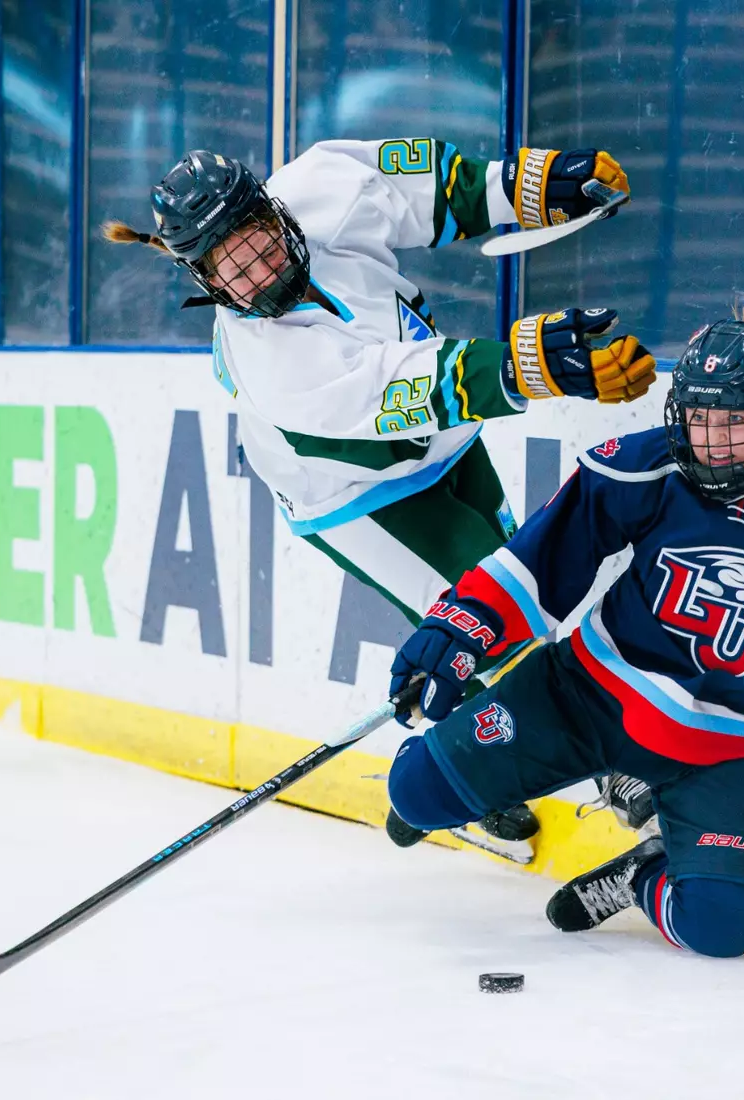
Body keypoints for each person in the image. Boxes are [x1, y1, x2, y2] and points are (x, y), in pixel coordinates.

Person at [105, 139, 657, 843]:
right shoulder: (276, 365)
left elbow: (426, 187)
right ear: (205, 278)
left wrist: (529, 184)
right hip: (356, 495)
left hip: (447, 440)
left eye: (259, 243)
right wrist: (536, 363)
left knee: (509, 597)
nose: (261, 271)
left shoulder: (319, 183)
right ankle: (607, 769)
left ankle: (453, 763)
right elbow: (411, 390)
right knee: (501, 614)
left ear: (272, 209)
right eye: (234, 269)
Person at [380, 285, 744, 957]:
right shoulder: (653, 462)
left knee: (723, 926)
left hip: (728, 745)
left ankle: (644, 872)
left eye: (736, 425)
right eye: (699, 420)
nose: (713, 443)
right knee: (414, 793)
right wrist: (460, 627)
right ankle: (448, 780)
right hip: (592, 694)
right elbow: (545, 560)